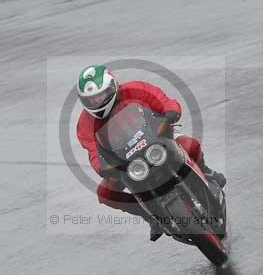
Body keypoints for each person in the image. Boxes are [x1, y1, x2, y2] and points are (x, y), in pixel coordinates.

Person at [75, 65, 227, 242]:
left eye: (99, 95)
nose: (96, 101)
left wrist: (171, 111)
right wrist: (102, 167)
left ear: (112, 87)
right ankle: (151, 218)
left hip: (159, 139)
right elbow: (93, 152)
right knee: (105, 194)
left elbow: (163, 100)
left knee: (190, 145)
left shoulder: (136, 89)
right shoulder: (84, 124)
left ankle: (206, 173)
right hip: (125, 163)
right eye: (91, 99)